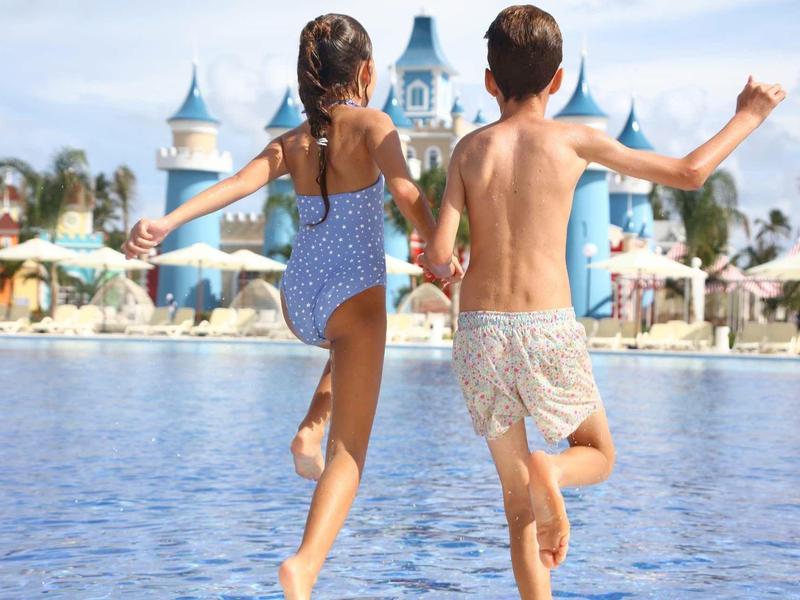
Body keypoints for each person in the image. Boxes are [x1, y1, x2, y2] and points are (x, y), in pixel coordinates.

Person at [418, 5, 785, 598]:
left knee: (518, 509)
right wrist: (749, 115)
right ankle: (554, 471)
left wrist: (444, 264)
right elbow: (690, 173)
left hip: (481, 328)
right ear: (558, 79)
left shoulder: (467, 150)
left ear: (489, 81)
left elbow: (439, 253)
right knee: (596, 454)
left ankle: (538, 508)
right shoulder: (574, 140)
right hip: (546, 326)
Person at [124, 13, 460, 599]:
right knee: (350, 453)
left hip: (299, 293)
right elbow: (406, 191)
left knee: (345, 349)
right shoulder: (373, 124)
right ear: (366, 72)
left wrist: (166, 220)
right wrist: (438, 243)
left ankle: (309, 429)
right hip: (353, 291)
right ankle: (304, 564)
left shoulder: (294, 140)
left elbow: (237, 184)